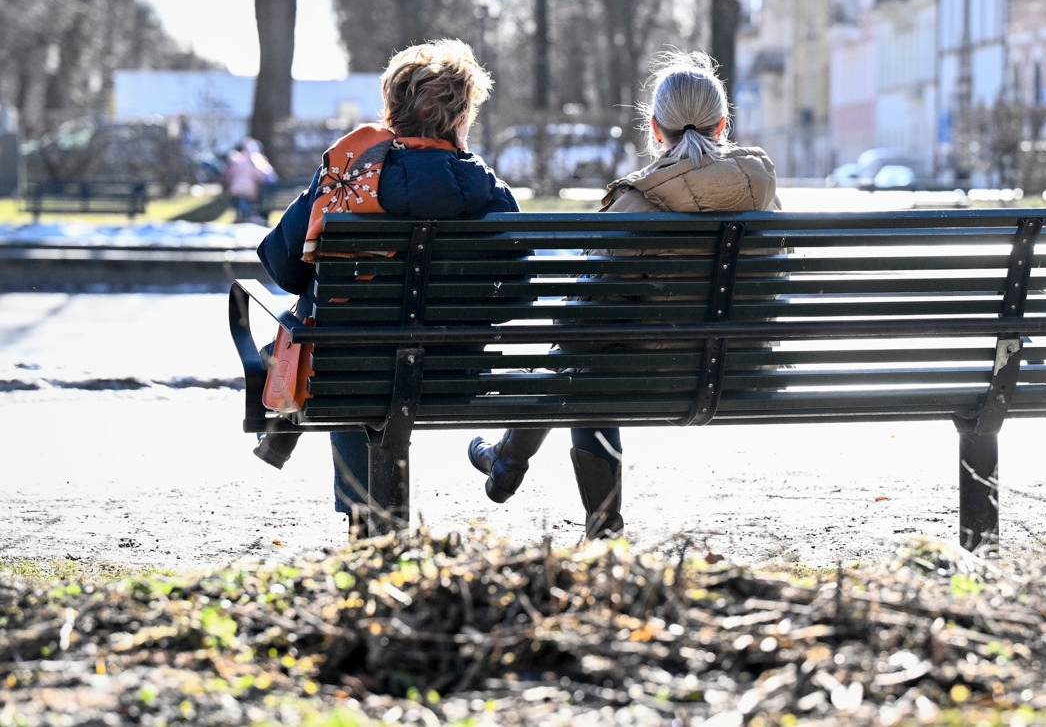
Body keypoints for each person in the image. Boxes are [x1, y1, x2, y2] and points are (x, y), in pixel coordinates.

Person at [466, 49, 780, 539]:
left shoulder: (638, 203)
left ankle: (586, 514)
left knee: (586, 368)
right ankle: (508, 460)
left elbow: (582, 324)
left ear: (655, 128)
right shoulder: (763, 191)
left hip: (643, 380)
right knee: (589, 360)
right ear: (722, 125)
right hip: (743, 372)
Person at [253, 38, 519, 535]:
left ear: (392, 111)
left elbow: (283, 268)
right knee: (350, 340)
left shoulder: (348, 173)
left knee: (333, 337)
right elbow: (517, 296)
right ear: (461, 118)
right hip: (454, 374)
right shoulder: (487, 190)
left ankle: (362, 518)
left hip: (346, 373)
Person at [222, 138, 277, 222]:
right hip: (250, 192)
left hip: (235, 191)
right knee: (251, 196)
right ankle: (247, 217)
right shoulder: (257, 161)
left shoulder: (237, 160)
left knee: (242, 198)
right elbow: (267, 177)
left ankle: (243, 217)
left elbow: (227, 175)